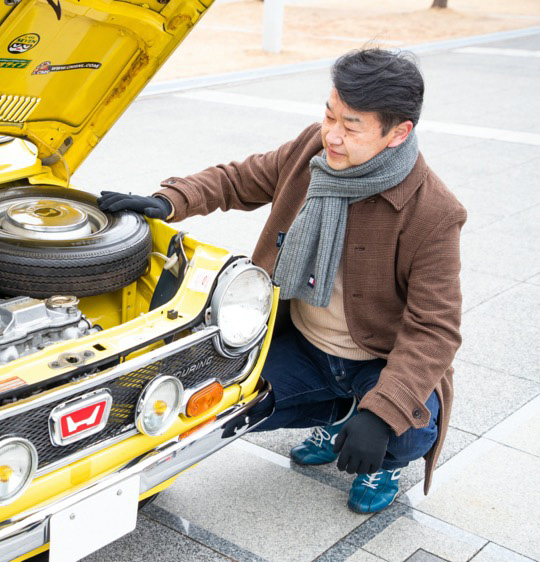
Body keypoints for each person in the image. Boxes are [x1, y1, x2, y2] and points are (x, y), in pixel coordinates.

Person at [98, 48, 466, 514]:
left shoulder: (433, 212)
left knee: (406, 427)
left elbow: (436, 328)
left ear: (398, 132)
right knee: (217, 399)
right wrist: (169, 200)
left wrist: (383, 410)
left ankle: (381, 456)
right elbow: (238, 179)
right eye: (328, 115)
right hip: (306, 344)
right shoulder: (312, 150)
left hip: (378, 358)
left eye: (351, 126)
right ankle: (339, 413)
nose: (331, 135)